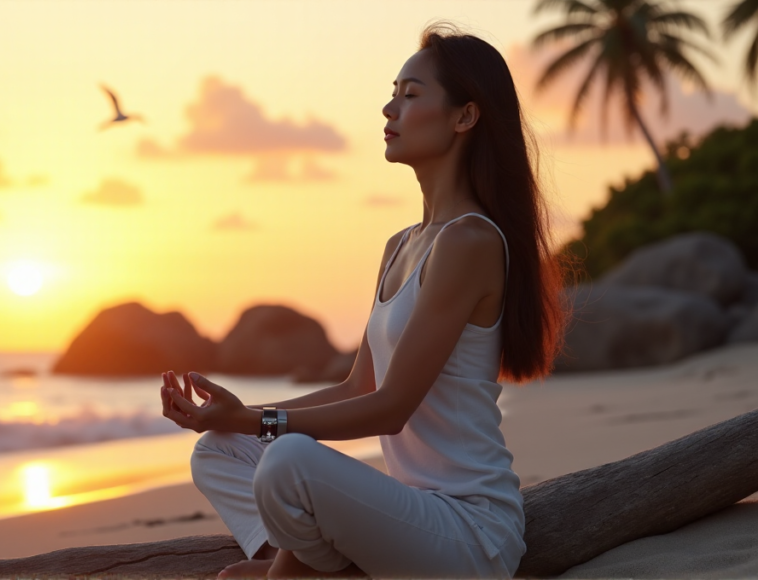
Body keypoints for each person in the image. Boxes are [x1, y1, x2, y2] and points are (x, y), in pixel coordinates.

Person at [158, 22, 566, 580]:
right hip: (406, 513)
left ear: (465, 117)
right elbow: (359, 388)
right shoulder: (401, 245)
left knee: (286, 460)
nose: (388, 109)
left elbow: (392, 407)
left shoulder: (469, 241)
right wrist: (233, 419)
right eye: (393, 92)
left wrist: (258, 419)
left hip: (468, 535)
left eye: (410, 94)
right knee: (218, 451)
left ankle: (298, 570)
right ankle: (336, 565)